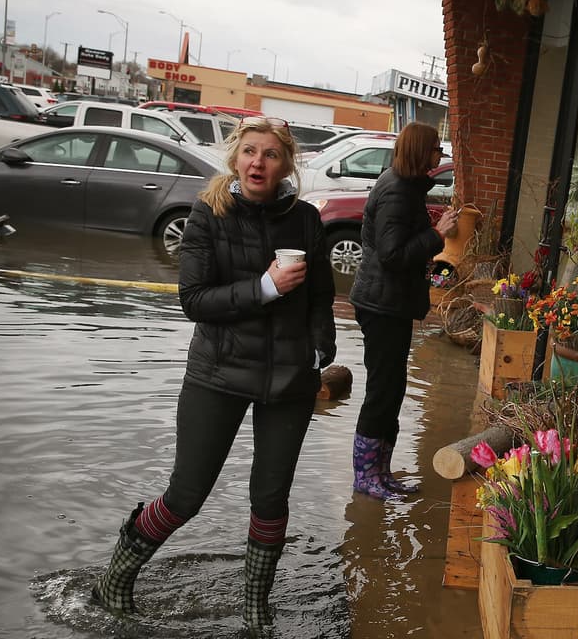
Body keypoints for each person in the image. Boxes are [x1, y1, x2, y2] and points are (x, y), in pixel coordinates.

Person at [92, 116, 337, 629]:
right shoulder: (209, 213)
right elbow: (194, 300)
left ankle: (254, 607)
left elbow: (320, 298)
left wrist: (320, 352)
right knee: (187, 493)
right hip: (218, 373)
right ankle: (115, 577)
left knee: (271, 500)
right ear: (235, 157)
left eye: (270, 154)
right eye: (250, 151)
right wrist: (266, 286)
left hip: (289, 380)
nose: (258, 162)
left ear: (286, 163)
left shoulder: (306, 220)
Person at [348, 121, 458, 500]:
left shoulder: (404, 186)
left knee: (392, 388)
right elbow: (393, 255)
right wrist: (437, 234)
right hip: (381, 305)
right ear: (419, 152)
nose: (438, 157)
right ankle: (366, 477)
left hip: (389, 303)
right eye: (434, 151)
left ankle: (381, 471)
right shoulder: (396, 190)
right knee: (382, 389)